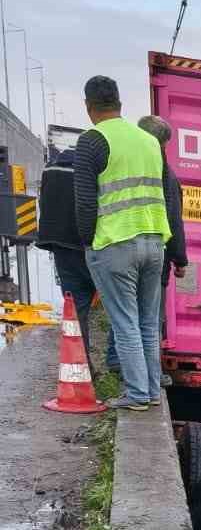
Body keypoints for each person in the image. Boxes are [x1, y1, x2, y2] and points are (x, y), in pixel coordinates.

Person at [74, 74, 171, 411]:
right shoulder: (148, 141)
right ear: (120, 104)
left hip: (115, 242)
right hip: (154, 241)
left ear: (89, 108)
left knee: (125, 321)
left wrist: (88, 243)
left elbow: (85, 202)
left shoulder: (92, 140)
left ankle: (137, 394)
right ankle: (152, 390)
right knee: (147, 321)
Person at [102, 115, 188, 381]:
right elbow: (172, 217)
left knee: (124, 307)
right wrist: (180, 258)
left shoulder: (121, 164)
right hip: (153, 252)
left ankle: (116, 357)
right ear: (164, 144)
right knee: (150, 318)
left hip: (118, 243)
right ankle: (149, 378)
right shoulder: (163, 172)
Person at [36, 147, 100, 370]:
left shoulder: (51, 167)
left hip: (61, 245)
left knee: (75, 307)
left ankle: (82, 366)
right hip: (87, 243)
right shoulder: (89, 168)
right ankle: (117, 363)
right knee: (118, 306)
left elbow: (44, 204)